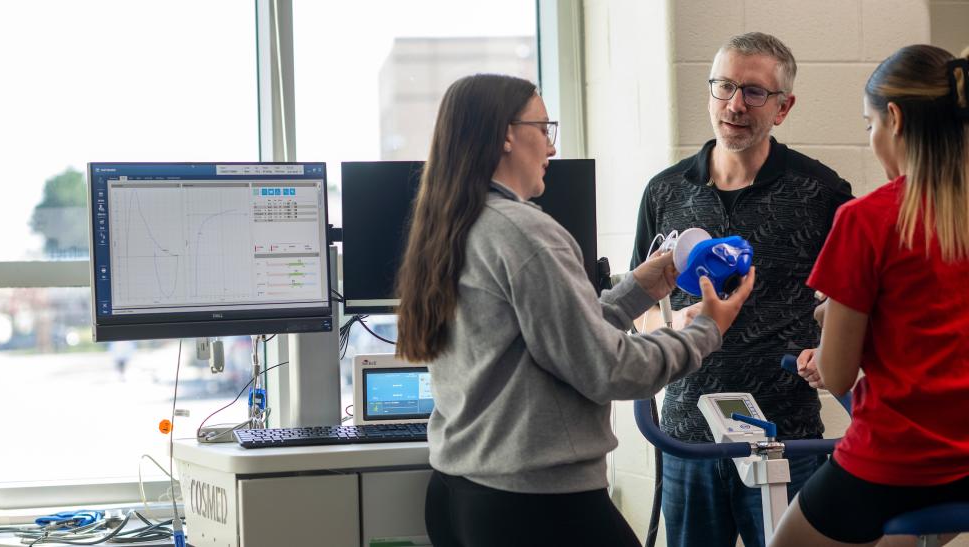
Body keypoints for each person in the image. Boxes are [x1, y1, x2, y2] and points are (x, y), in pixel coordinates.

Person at [394, 73, 755, 547]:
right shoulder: (526, 232)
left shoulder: (456, 223)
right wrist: (707, 328)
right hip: (535, 505)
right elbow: (607, 368)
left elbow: (555, 342)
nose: (551, 147)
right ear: (506, 134)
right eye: (544, 128)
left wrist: (639, 289)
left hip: (460, 494)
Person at [630, 32, 853, 547]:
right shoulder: (665, 191)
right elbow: (638, 309)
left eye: (754, 92)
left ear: (784, 107)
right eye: (724, 86)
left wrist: (831, 350)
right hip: (686, 432)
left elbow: (853, 296)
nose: (734, 105)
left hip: (787, 437)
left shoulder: (821, 192)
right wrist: (670, 325)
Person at [771, 44, 969, 547]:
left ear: (895, 119)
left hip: (897, 462)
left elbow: (836, 374)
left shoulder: (866, 219)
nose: (873, 140)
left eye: (869, 126)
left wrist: (830, 316)